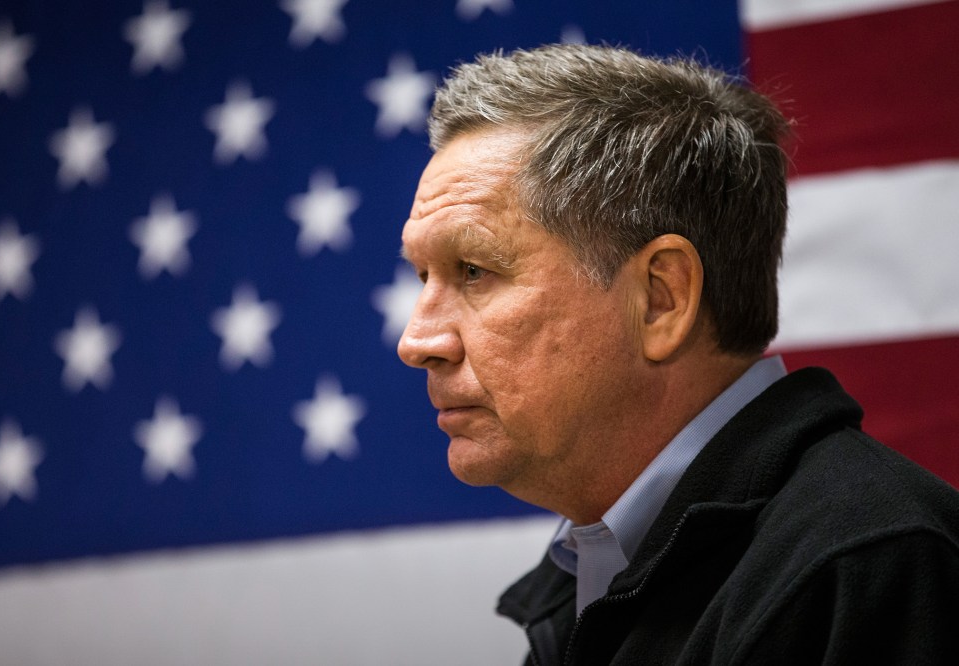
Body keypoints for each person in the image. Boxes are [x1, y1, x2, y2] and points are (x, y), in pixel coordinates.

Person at [396, 44, 959, 665]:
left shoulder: (873, 567)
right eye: (423, 276)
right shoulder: (592, 573)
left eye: (474, 270)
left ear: (661, 299)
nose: (417, 342)